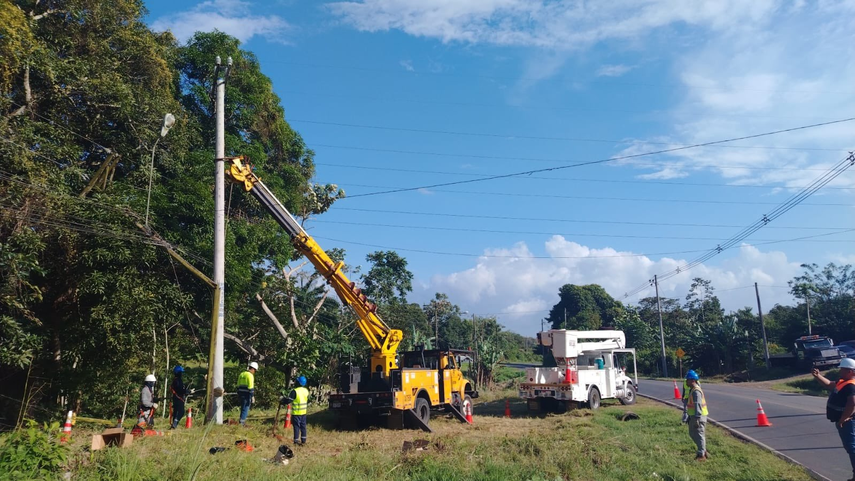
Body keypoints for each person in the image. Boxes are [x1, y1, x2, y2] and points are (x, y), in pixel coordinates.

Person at [814, 358, 855, 481]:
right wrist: (817, 376)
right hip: (843, 420)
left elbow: (852, 403)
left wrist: (844, 418)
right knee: (851, 447)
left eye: (842, 369)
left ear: (851, 371)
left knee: (852, 447)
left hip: (847, 422)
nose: (840, 371)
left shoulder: (851, 386)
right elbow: (829, 384)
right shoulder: (843, 381)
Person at [681, 370, 709, 461]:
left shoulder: (696, 391)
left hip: (699, 417)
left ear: (692, 380)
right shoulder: (693, 389)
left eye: (687, 380)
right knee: (693, 433)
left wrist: (697, 418)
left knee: (699, 434)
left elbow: (697, 405)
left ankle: (701, 454)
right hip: (694, 416)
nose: (686, 382)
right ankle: (703, 450)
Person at [280, 375, 309, 445]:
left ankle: (296, 441)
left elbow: (289, 401)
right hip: (304, 412)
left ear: (299, 383)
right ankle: (303, 440)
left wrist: (282, 400)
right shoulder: (306, 391)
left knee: (296, 427)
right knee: (303, 426)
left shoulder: (295, 391)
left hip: (296, 413)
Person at [237, 362, 258, 426]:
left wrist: (238, 393)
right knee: (245, 408)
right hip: (247, 394)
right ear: (253, 369)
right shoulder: (250, 375)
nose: (255, 372)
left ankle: (241, 420)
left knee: (242, 408)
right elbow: (251, 388)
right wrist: (252, 396)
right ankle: (242, 423)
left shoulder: (242, 374)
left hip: (241, 394)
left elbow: (238, 385)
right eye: (255, 371)